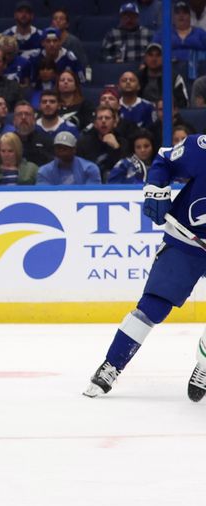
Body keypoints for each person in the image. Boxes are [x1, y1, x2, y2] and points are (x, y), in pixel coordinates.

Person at [84, 131, 206, 402]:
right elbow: (165, 159)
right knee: (153, 305)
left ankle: (205, 366)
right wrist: (157, 190)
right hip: (188, 240)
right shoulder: (202, 148)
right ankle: (112, 364)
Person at [77, 105, 129, 181]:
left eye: (107, 118)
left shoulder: (123, 142)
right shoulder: (84, 143)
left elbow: (126, 169)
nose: (103, 121)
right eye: (100, 118)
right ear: (95, 124)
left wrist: (116, 147)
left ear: (115, 123)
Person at [36, 131, 101, 185]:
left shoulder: (89, 169)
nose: (61, 151)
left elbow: (92, 195)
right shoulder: (44, 171)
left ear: (74, 149)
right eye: (58, 147)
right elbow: (44, 196)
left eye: (65, 148)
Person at [153, 1, 206, 66]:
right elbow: (153, 50)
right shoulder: (163, 33)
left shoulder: (200, 33)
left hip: (197, 68)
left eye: (185, 13)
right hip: (170, 69)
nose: (181, 15)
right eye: (178, 13)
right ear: (173, 16)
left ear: (190, 16)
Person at [139, 43, 188, 107]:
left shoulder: (174, 77)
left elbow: (184, 103)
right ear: (145, 58)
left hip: (167, 114)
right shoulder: (137, 77)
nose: (154, 59)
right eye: (150, 55)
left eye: (158, 55)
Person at [12, 100, 54, 167]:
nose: (23, 117)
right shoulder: (8, 142)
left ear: (34, 120)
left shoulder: (47, 141)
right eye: (19, 114)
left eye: (27, 114)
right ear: (14, 121)